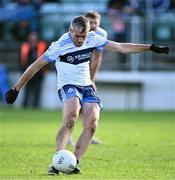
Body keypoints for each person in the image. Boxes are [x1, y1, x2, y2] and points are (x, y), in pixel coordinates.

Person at [5, 15, 169, 175]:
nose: (80, 40)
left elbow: (121, 47)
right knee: (71, 116)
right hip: (68, 85)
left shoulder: (92, 38)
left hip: (87, 85)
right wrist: (16, 89)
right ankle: (56, 162)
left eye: (83, 36)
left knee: (92, 124)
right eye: (76, 36)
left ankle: (73, 162)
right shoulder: (60, 45)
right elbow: (34, 66)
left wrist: (150, 47)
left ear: (88, 32)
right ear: (70, 30)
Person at [68, 11, 107, 146]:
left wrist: (91, 79)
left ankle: (89, 135)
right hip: (73, 73)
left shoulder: (101, 34)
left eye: (96, 22)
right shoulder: (77, 34)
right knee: (75, 108)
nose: (93, 25)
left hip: (87, 75)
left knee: (90, 107)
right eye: (91, 22)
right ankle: (68, 135)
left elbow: (97, 58)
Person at [20, 32, 47, 108]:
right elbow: (21, 60)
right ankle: (24, 106)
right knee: (26, 90)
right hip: (27, 72)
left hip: (39, 74)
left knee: (37, 91)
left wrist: (43, 72)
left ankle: (35, 107)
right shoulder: (25, 46)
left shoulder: (42, 46)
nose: (33, 40)